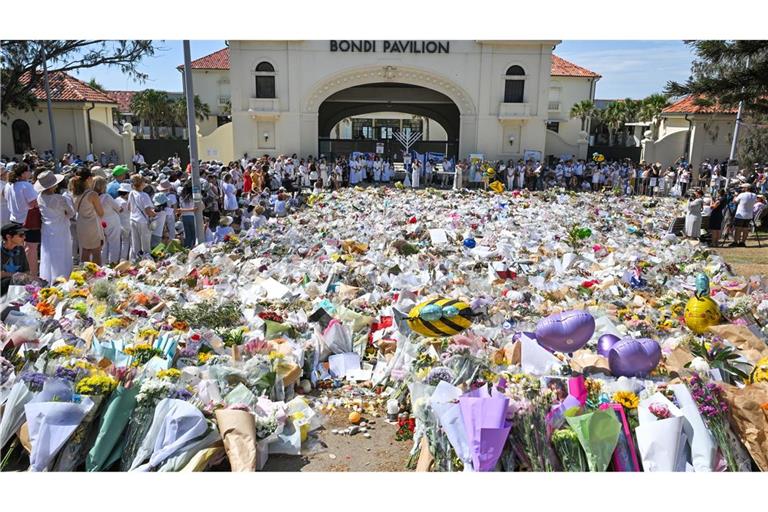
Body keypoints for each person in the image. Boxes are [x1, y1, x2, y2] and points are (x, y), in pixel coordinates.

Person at [35, 171, 74, 282]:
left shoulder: (39, 197)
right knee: (62, 253)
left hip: (47, 228)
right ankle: (62, 277)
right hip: (61, 227)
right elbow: (71, 213)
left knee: (49, 254)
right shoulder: (59, 198)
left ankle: (48, 278)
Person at [4, 163, 40, 277]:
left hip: (15, 220)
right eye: (29, 170)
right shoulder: (26, 185)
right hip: (28, 221)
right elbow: (34, 203)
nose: (30, 173)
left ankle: (22, 276)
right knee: (31, 249)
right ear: (24, 173)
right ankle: (33, 277)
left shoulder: (9, 185)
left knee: (21, 250)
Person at [72, 168, 105, 265]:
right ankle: (97, 276)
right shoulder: (92, 194)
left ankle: (84, 274)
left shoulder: (75, 194)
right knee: (96, 252)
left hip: (81, 223)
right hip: (92, 224)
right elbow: (101, 213)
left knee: (85, 251)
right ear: (89, 178)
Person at [93, 176, 123, 264]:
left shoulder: (93, 197)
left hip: (100, 221)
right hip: (112, 221)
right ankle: (113, 262)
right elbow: (118, 208)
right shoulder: (106, 197)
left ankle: (103, 263)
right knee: (114, 243)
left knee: (104, 244)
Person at [128, 174, 156, 260]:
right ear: (142, 183)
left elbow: (128, 207)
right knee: (146, 244)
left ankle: (135, 260)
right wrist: (154, 214)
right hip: (143, 221)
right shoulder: (144, 195)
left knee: (135, 243)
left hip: (133, 219)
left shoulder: (131, 193)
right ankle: (146, 262)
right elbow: (148, 211)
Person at [1, 222, 31, 296]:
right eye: (21, 235)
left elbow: (26, 271)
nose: (24, 237)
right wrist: (16, 275)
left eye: (24, 235)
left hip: (16, 285)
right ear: (8, 237)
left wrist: (19, 276)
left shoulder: (20, 249)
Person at [730, 183, 757, 247]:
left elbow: (734, 201)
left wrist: (735, 195)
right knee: (745, 229)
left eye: (743, 188)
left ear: (746, 188)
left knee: (737, 229)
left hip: (740, 215)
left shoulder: (741, 194)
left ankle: (736, 242)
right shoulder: (754, 195)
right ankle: (743, 242)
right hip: (749, 215)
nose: (742, 189)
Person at [176, 182, 198, 248]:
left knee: (187, 233)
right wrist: (192, 210)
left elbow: (180, 209)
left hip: (184, 216)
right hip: (192, 216)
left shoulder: (181, 197)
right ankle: (194, 246)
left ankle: (187, 247)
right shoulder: (193, 197)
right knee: (194, 233)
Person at [115, 182, 132, 261]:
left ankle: (119, 259)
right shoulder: (125, 202)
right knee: (127, 243)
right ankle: (124, 259)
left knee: (121, 243)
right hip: (126, 224)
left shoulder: (116, 200)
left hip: (118, 223)